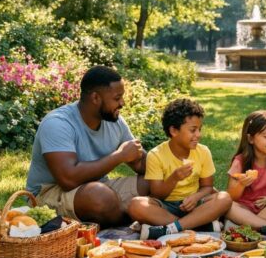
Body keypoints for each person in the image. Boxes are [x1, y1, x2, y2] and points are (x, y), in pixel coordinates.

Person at [25, 65, 149, 227]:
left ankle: (130, 212)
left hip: (97, 188)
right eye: (117, 98)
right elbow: (68, 179)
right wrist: (120, 156)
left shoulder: (115, 122)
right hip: (48, 194)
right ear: (96, 98)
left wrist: (167, 163)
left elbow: (141, 164)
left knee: (155, 182)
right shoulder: (58, 123)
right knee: (100, 197)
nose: (122, 103)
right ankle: (138, 215)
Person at [127, 98, 232, 240]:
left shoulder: (203, 151)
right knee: (136, 205)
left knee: (224, 198)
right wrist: (174, 177)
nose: (198, 135)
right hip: (166, 207)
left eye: (199, 129)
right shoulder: (156, 155)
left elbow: (207, 186)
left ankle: (169, 229)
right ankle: (198, 225)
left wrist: (195, 197)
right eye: (193, 130)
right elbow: (157, 194)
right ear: (174, 131)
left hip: (195, 205)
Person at [224, 110, 266, 233]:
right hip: (244, 210)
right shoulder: (240, 161)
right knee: (226, 204)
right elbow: (232, 197)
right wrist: (241, 184)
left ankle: (249, 227)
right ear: (250, 138)